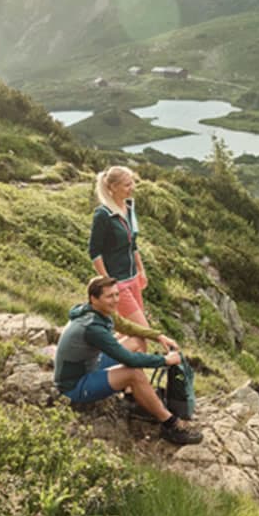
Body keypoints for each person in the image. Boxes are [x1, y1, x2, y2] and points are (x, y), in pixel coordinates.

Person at [54, 275, 202, 445]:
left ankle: (136, 398)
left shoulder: (98, 311)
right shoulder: (92, 328)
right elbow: (128, 359)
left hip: (90, 365)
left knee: (137, 340)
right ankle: (171, 425)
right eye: (110, 296)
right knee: (133, 373)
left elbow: (126, 326)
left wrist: (158, 336)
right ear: (93, 298)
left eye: (117, 294)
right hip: (76, 384)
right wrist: (164, 360)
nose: (115, 300)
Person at [89, 165, 152, 351]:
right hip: (118, 284)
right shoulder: (103, 215)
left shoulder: (129, 208)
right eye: (126, 184)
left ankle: (119, 373)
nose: (131, 187)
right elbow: (94, 252)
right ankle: (102, 363)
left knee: (128, 332)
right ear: (113, 187)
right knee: (142, 332)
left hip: (133, 280)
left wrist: (141, 270)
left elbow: (133, 244)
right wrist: (109, 283)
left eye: (132, 182)